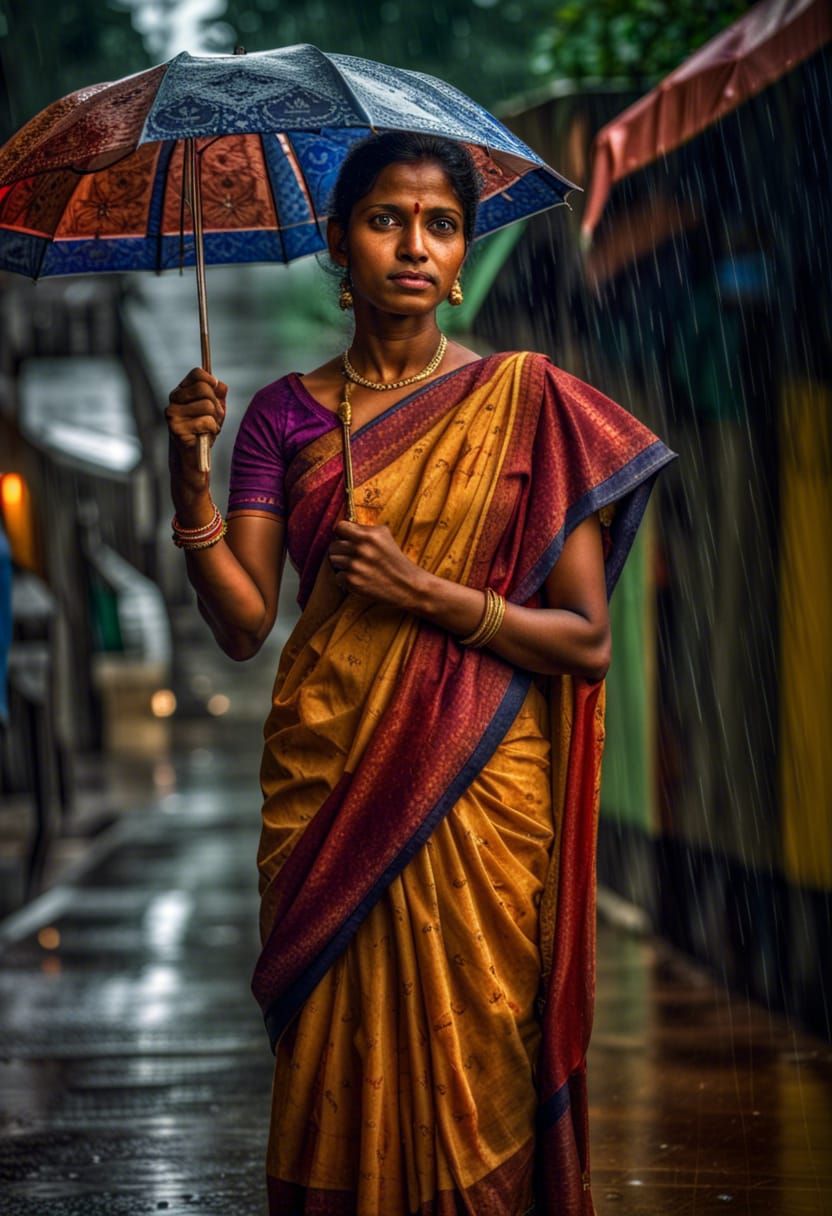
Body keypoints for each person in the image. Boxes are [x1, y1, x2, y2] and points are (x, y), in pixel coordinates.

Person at [165, 131, 677, 1216]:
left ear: (458, 256)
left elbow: (584, 639)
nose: (414, 245)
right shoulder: (280, 417)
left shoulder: (528, 403)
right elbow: (247, 625)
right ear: (338, 249)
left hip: (482, 784)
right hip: (328, 775)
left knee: (476, 1040)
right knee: (337, 1058)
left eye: (440, 225)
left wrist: (429, 594)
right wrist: (187, 483)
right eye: (385, 220)